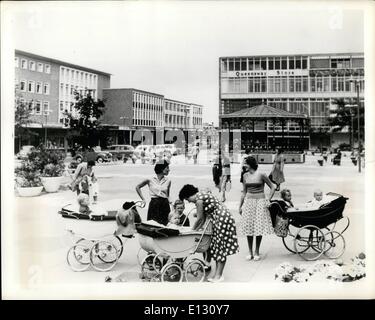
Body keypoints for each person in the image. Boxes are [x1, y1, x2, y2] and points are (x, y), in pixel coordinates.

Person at [179, 185, 239, 282]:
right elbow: (202, 217)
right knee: (216, 246)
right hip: (221, 218)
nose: (189, 201)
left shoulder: (199, 200)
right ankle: (217, 274)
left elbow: (200, 219)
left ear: (189, 195)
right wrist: (195, 229)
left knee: (220, 247)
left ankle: (218, 276)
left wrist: (192, 231)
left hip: (221, 219)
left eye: (187, 199)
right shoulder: (202, 195)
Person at [239, 156, 275, 261]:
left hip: (260, 202)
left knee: (258, 226)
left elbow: (272, 186)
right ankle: (250, 251)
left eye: (245, 163)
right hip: (249, 202)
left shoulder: (261, 174)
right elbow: (244, 192)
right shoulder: (245, 175)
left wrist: (268, 199)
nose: (243, 165)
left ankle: (257, 251)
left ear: (250, 164)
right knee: (249, 227)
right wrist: (240, 206)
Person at [135, 160, 171, 225]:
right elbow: (137, 187)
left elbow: (167, 195)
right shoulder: (150, 179)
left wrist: (171, 203)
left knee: (166, 225)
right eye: (167, 168)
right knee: (152, 225)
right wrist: (143, 199)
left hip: (165, 205)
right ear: (161, 168)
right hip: (154, 204)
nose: (169, 170)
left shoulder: (168, 180)